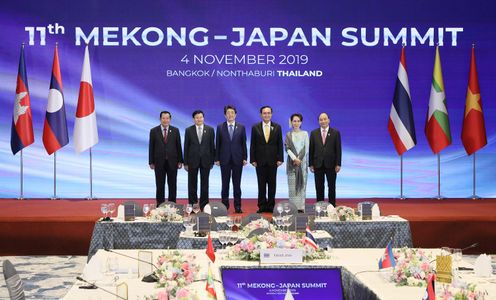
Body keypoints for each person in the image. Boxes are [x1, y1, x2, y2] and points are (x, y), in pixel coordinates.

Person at [250, 105, 283, 213]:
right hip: (259, 161)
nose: (266, 115)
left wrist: (280, 159)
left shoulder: (277, 127)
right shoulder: (255, 127)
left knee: (272, 184)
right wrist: (253, 159)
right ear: (261, 115)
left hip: (273, 161)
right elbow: (253, 145)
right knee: (261, 184)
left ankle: (271, 205)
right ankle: (262, 206)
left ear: (271, 114)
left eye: (268, 113)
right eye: (264, 113)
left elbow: (279, 144)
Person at [215, 105, 247, 213]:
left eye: (232, 112)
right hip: (224, 159)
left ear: (235, 114)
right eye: (228, 113)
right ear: (225, 115)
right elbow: (218, 144)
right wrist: (217, 158)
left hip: (238, 159)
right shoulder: (220, 127)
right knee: (225, 184)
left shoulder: (241, 127)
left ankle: (238, 206)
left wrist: (245, 157)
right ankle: (224, 206)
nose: (230, 115)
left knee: (237, 184)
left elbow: (243, 144)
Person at [148, 111, 183, 206]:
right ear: (160, 119)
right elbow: (151, 147)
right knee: (160, 184)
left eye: (167, 118)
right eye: (163, 118)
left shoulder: (175, 130)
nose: (165, 120)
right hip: (159, 162)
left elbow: (178, 146)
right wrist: (151, 162)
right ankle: (160, 204)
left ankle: (172, 204)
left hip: (173, 162)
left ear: (170, 119)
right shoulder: (153, 131)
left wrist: (180, 161)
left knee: (172, 184)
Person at [183, 110, 215, 210]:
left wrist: (212, 161)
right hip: (192, 161)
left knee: (205, 184)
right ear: (194, 119)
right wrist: (186, 162)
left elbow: (212, 146)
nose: (199, 119)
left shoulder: (210, 129)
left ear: (203, 118)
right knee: (192, 184)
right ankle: (193, 205)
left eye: (201, 117)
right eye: (197, 117)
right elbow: (186, 146)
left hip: (206, 160)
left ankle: (204, 205)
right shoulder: (189, 130)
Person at [309, 113, 342, 207]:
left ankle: (332, 206)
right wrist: (311, 164)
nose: (323, 121)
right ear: (318, 121)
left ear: (329, 120)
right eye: (321, 119)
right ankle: (320, 206)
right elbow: (311, 149)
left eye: (324, 119)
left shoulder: (335, 132)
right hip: (317, 164)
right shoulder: (314, 133)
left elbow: (338, 149)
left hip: (331, 164)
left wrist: (338, 164)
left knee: (331, 186)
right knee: (319, 187)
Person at [285, 113, 309, 212]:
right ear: (291, 122)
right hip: (292, 163)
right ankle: (293, 208)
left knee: (302, 187)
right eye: (294, 121)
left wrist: (299, 159)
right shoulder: (288, 134)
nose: (296, 123)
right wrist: (294, 158)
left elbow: (306, 148)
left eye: (298, 121)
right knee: (292, 187)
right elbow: (287, 148)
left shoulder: (305, 134)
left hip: (302, 164)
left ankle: (301, 207)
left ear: (301, 122)